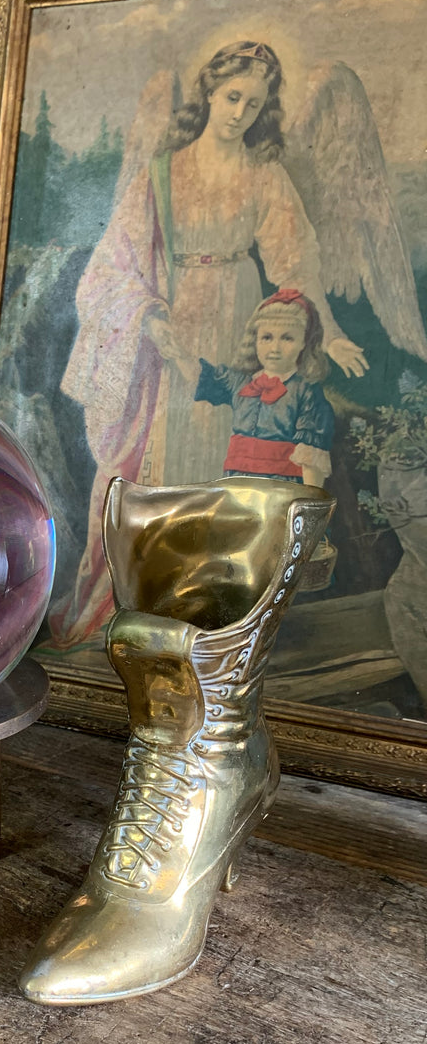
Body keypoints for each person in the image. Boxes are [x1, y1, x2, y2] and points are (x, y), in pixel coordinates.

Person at [49, 39, 366, 648]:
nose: (240, 112)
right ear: (209, 94)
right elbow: (111, 266)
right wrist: (147, 317)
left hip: (242, 328)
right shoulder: (162, 173)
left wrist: (333, 328)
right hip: (174, 328)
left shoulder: (264, 175)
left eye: (254, 103)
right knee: (168, 459)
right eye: (232, 97)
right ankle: (157, 608)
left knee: (237, 458)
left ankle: (221, 616)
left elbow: (296, 264)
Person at [171, 288, 336, 486]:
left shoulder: (305, 391)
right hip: (237, 482)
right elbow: (198, 376)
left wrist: (308, 505)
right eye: (267, 337)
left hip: (282, 486)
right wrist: (176, 352)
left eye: (287, 338)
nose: (275, 348)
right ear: (254, 340)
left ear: (304, 343)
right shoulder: (239, 383)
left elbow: (312, 459)